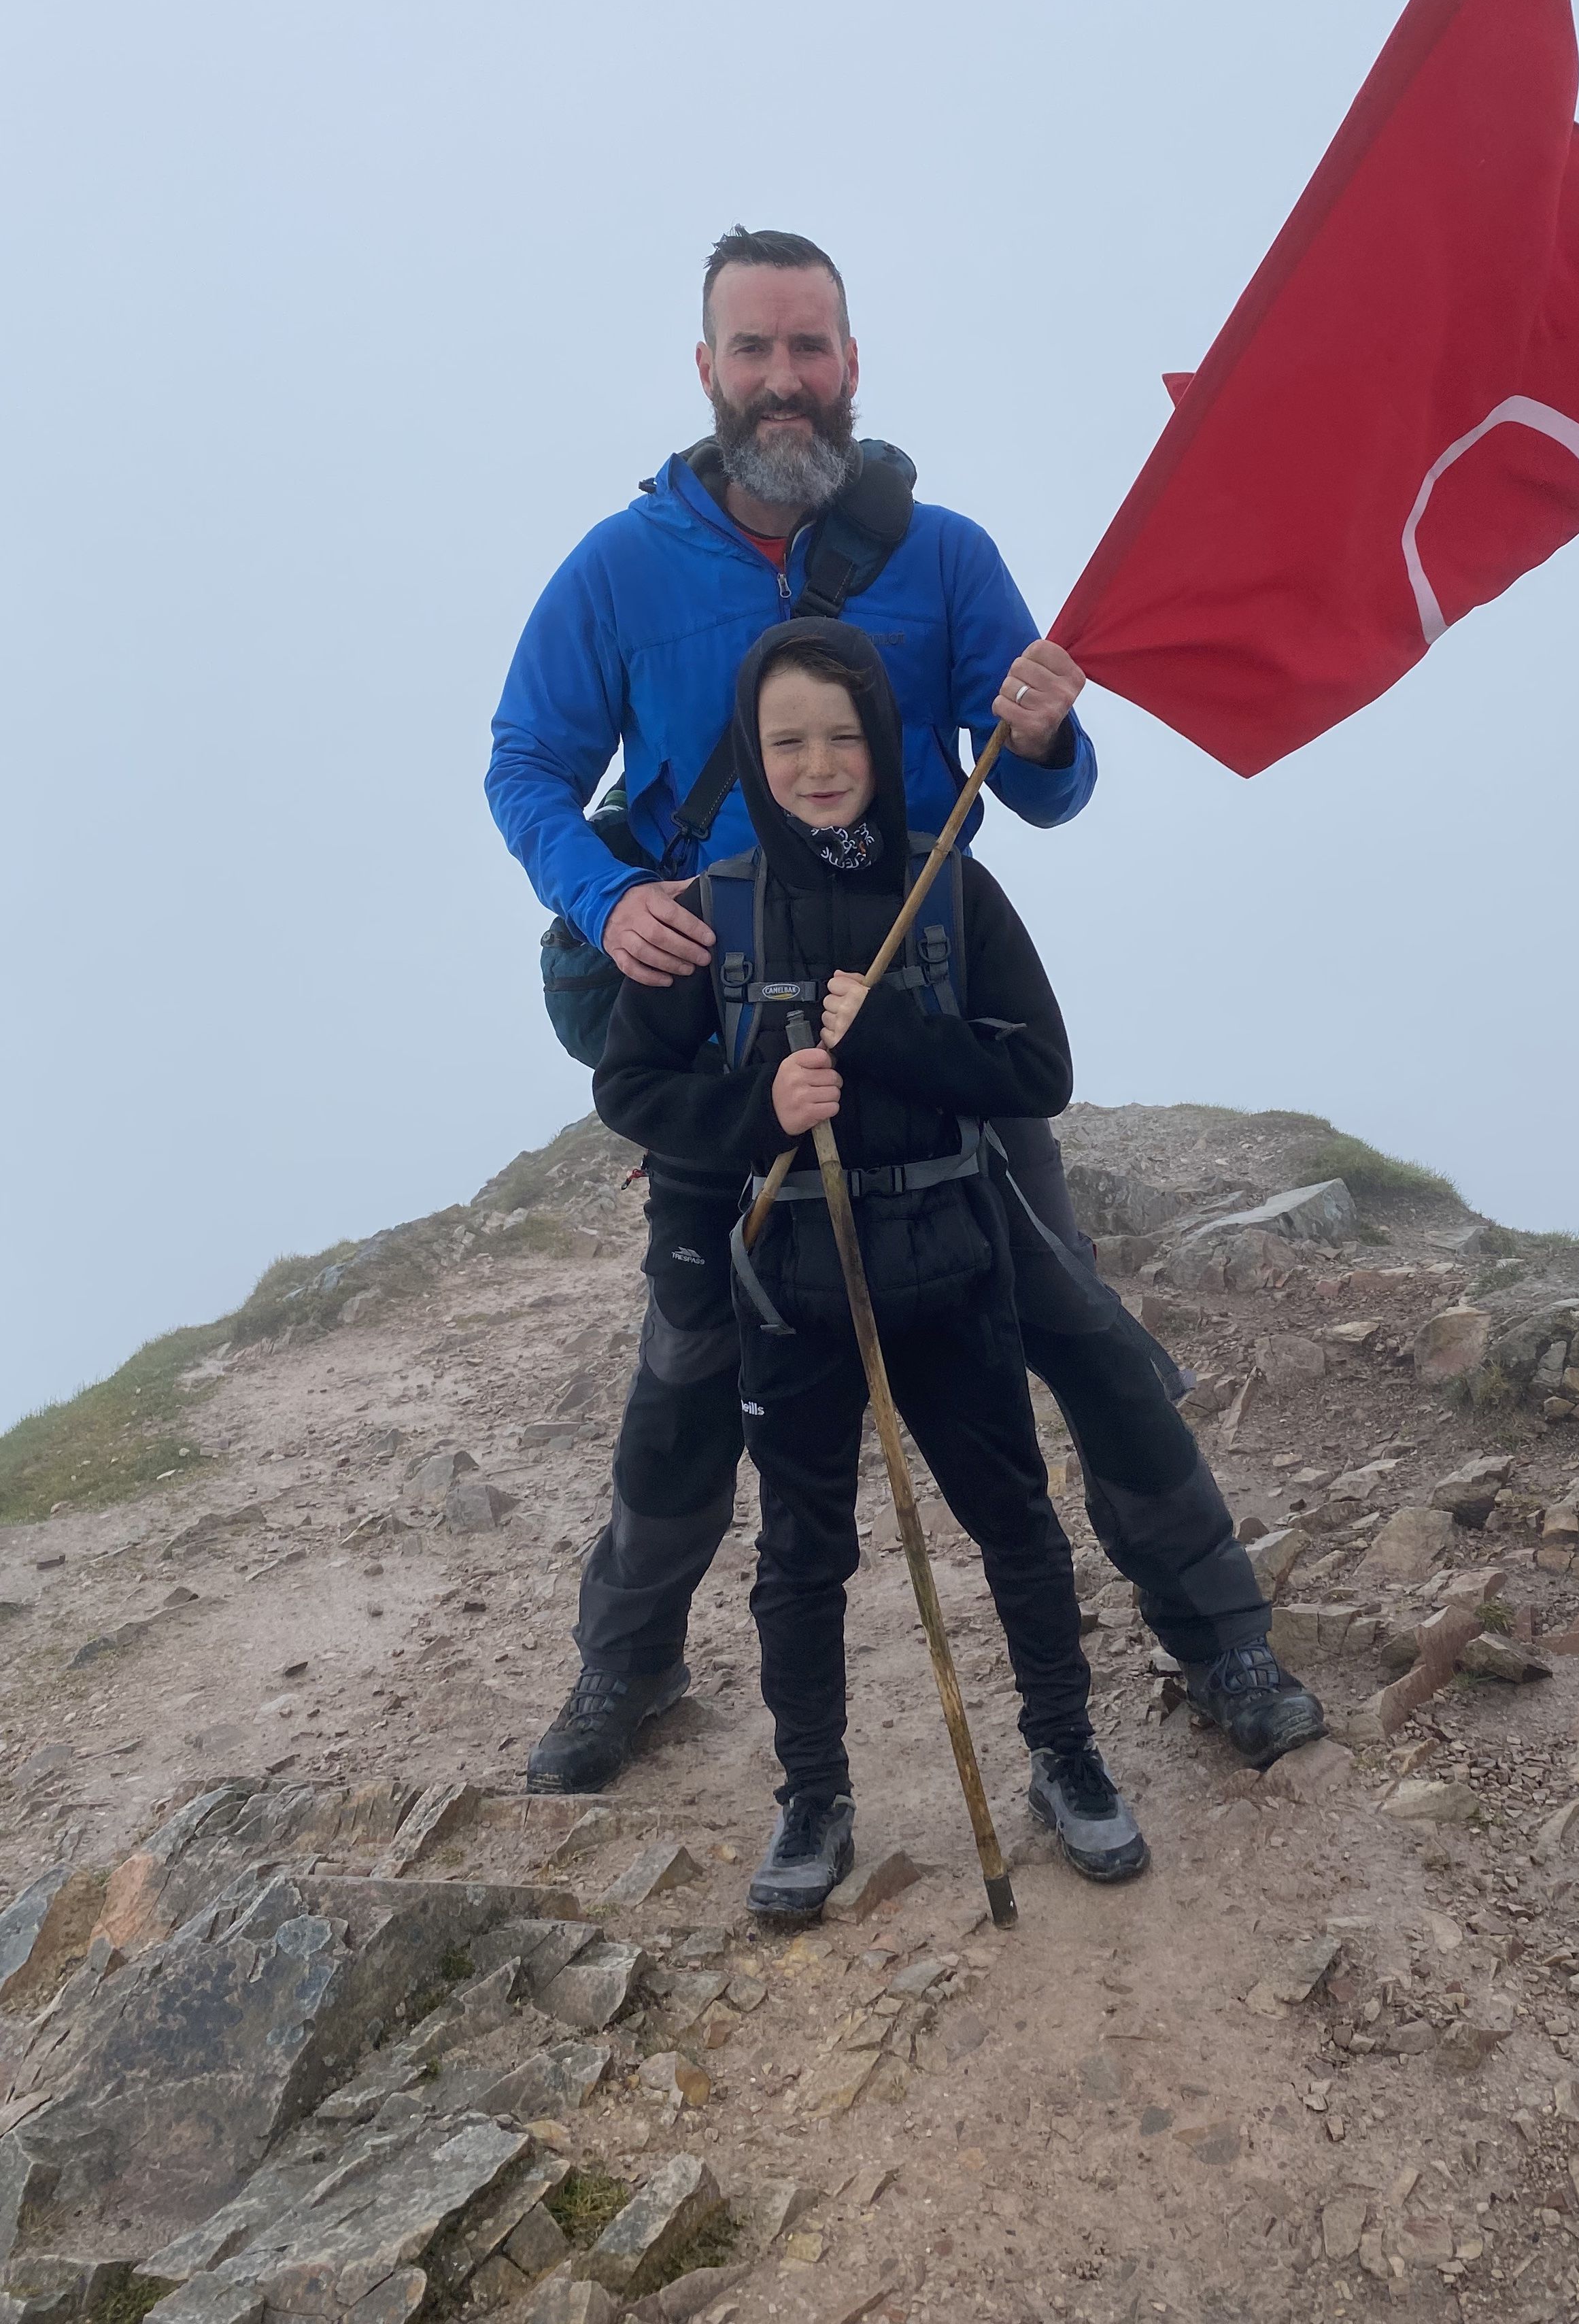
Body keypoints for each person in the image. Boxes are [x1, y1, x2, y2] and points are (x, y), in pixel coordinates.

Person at [487, 224, 1322, 1795]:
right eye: (755, 353)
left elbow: (1052, 785)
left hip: (930, 1014)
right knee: (688, 1378)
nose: (785, 383)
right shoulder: (618, 571)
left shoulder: (943, 558)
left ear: (853, 365)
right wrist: (607, 903)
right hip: (736, 1051)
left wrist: (1053, 731)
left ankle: (1223, 1644)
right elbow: (524, 764)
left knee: (1077, 1332)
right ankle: (627, 1671)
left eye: (812, 350)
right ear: (707, 372)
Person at [594, 620, 1149, 1910]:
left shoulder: (947, 886)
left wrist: (891, 1033)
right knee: (802, 1551)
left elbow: (1041, 1074)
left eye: (843, 734)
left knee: (1013, 1519)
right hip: (791, 1281)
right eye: (786, 740)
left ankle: (1066, 1760)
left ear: (883, 741)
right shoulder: (708, 910)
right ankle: (814, 1797)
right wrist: (757, 1111)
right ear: (753, 749)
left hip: (955, 1258)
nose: (818, 762)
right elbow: (630, 1086)